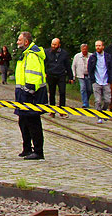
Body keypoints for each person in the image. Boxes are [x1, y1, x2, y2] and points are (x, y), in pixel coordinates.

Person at [14, 31, 47, 160]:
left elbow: (33, 76)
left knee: (33, 122)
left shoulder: (32, 55)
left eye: (19, 40)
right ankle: (27, 148)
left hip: (30, 95)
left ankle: (38, 151)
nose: (17, 42)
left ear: (26, 42)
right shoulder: (25, 54)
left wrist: (29, 91)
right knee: (23, 122)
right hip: (23, 94)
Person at [44, 38, 72, 117]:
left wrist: (71, 77)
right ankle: (52, 111)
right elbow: (43, 63)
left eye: (55, 44)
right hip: (51, 75)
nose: (53, 46)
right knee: (51, 93)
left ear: (59, 45)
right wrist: (44, 72)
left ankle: (62, 110)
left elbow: (67, 65)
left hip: (61, 75)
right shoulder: (47, 52)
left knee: (62, 92)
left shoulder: (64, 54)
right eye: (52, 44)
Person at [88, 39, 112, 124]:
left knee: (107, 100)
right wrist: (92, 80)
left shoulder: (108, 57)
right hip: (96, 81)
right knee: (98, 100)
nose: (98, 47)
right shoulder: (92, 57)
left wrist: (110, 79)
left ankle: (103, 112)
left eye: (99, 45)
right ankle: (99, 116)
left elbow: (111, 68)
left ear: (103, 46)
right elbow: (90, 69)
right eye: (96, 46)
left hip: (106, 81)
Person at [72, 43, 92, 108]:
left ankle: (86, 100)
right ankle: (85, 103)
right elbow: (73, 66)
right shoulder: (77, 56)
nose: (84, 51)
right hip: (80, 75)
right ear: (81, 49)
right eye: (83, 49)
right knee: (83, 88)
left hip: (89, 75)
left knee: (89, 90)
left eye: (85, 49)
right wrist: (73, 76)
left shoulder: (91, 56)